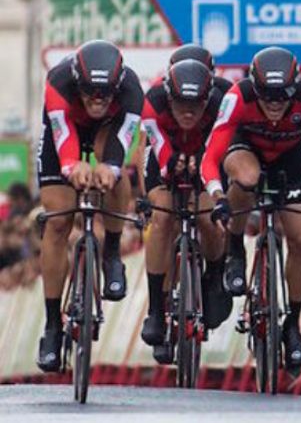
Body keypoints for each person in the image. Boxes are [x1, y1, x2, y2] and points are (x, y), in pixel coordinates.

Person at [200, 46, 301, 369]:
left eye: (282, 98)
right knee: (247, 177)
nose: (275, 105)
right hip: (244, 148)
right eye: (267, 98)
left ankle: (293, 323)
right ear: (255, 89)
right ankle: (235, 248)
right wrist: (218, 195)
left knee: (300, 238)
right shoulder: (237, 97)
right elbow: (210, 157)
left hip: (289, 158)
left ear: (295, 89)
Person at [36, 39, 144, 372]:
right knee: (57, 221)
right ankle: (53, 325)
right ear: (77, 83)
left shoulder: (131, 90)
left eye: (105, 94)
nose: (97, 100)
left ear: (116, 87)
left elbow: (121, 146)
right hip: (65, 129)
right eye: (89, 92)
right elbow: (62, 137)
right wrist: (70, 166)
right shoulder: (58, 81)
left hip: (107, 133)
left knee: (113, 177)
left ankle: (111, 253)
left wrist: (109, 167)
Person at [140, 59, 231, 354]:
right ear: (169, 96)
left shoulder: (223, 99)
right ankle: (156, 308)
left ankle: (215, 275)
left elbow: (222, 146)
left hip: (207, 157)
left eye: (196, 104)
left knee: (207, 216)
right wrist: (171, 166)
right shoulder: (152, 100)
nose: (188, 112)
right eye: (180, 104)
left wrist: (203, 172)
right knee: (163, 216)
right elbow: (155, 146)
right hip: (165, 154)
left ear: (208, 97)